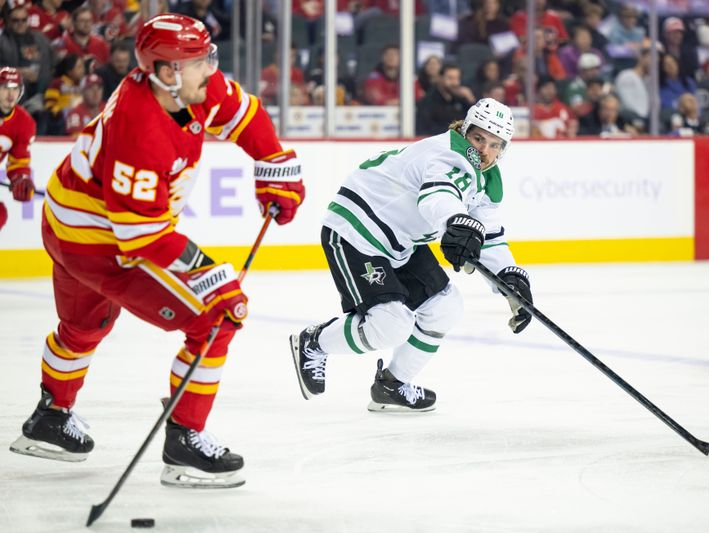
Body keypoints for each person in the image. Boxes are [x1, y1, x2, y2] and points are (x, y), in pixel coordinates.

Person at [9, 14, 306, 489]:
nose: (211, 69)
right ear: (167, 71)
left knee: (87, 324)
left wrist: (273, 162)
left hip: (67, 224)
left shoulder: (180, 86)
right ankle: (185, 441)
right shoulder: (139, 126)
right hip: (100, 241)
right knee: (216, 316)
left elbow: (242, 112)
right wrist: (212, 273)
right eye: (200, 61)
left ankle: (50, 418)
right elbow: (142, 240)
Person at [290, 98, 532, 412]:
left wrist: (508, 278)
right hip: (356, 231)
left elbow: (490, 236)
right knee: (391, 324)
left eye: (495, 144)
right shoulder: (448, 154)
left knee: (446, 307)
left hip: (401, 241)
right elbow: (437, 195)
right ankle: (314, 342)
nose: (485, 151)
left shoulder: (486, 178)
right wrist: (455, 220)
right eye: (479, 138)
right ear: (465, 130)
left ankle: (392, 385)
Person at [0, 67, 37, 231]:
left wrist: (20, 180)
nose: (10, 95)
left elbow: (19, 160)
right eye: (5, 88)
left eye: (15, 89)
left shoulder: (24, 122)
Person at [416, 63, 475, 136]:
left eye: (457, 78)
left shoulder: (461, 100)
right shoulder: (428, 102)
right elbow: (426, 129)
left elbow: (474, 122)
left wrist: (470, 100)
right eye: (450, 78)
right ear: (439, 78)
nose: (455, 83)